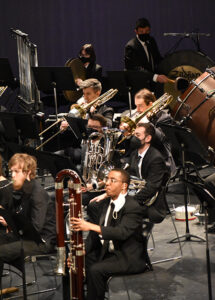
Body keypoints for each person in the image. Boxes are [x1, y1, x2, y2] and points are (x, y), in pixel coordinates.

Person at [71, 168, 148, 300]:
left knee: (96, 270)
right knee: (74, 263)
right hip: (107, 251)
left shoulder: (132, 207)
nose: (107, 183)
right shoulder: (104, 204)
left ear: (124, 186)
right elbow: (94, 236)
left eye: (113, 181)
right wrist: (82, 251)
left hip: (127, 257)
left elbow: (121, 233)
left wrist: (90, 226)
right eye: (107, 180)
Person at [0, 153, 56, 281]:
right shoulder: (21, 189)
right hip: (25, 236)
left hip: (41, 242)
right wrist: (8, 221)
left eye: (16, 172)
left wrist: (12, 224)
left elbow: (36, 228)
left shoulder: (38, 194)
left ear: (27, 173)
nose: (12, 176)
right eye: (11, 171)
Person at [119, 88, 176, 176]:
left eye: (140, 106)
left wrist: (148, 124)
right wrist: (127, 134)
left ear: (150, 104)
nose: (137, 110)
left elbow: (161, 139)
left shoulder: (165, 118)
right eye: (136, 106)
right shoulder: (136, 117)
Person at [124, 18, 168, 84]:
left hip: (154, 82)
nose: (144, 33)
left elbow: (157, 59)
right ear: (136, 31)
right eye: (141, 32)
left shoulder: (151, 41)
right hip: (139, 83)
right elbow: (135, 69)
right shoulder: (130, 47)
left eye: (147, 31)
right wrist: (155, 77)